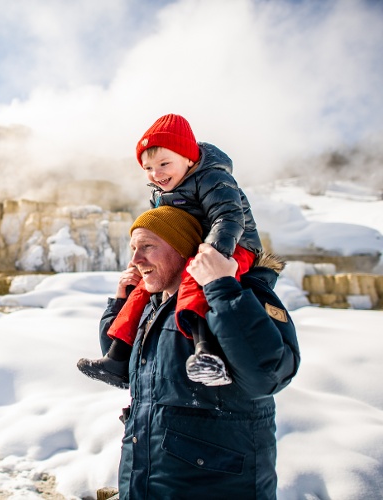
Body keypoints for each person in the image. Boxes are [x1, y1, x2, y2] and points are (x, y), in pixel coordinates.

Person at [91, 206, 300, 499]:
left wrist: (221, 288)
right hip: (146, 482)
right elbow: (127, 372)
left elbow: (267, 376)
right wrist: (119, 304)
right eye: (134, 249)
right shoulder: (153, 306)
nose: (136, 260)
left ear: (182, 248)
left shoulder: (240, 291)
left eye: (148, 247)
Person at [78, 114, 262, 388]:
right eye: (148, 167)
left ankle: (206, 352)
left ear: (189, 159)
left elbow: (229, 218)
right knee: (143, 289)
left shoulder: (212, 178)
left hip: (234, 246)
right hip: (194, 248)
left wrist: (213, 253)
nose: (157, 174)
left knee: (194, 280)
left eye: (164, 164)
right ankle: (118, 357)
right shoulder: (161, 193)